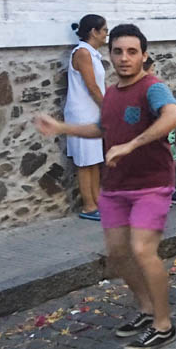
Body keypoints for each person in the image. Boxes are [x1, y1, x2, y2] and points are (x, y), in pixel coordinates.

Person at [35, 24, 176, 349]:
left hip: (152, 185)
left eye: (132, 51)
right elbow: (102, 128)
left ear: (144, 55)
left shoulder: (152, 88)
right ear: (110, 54)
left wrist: (131, 145)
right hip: (115, 186)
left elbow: (173, 117)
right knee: (118, 255)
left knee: (143, 250)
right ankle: (146, 310)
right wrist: (61, 126)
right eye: (117, 51)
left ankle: (163, 324)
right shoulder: (113, 93)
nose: (124, 58)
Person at [65, 14, 108, 220]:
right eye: (105, 30)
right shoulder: (82, 53)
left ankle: (98, 201)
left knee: (95, 159)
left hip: (93, 112)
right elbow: (92, 86)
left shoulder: (93, 53)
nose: (106, 34)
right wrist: (108, 108)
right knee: (85, 161)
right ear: (94, 32)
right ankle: (88, 206)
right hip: (82, 113)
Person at [143, 55, 176, 205]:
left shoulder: (153, 86)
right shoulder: (152, 87)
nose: (154, 72)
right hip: (159, 132)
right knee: (163, 161)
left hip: (162, 131)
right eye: (152, 69)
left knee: (167, 160)